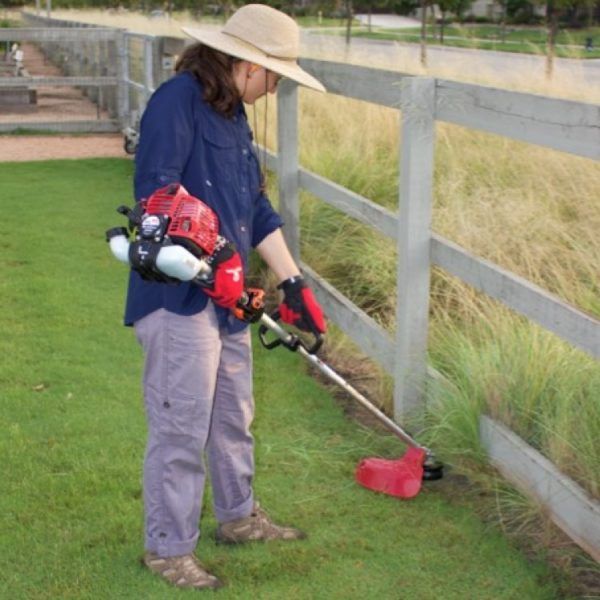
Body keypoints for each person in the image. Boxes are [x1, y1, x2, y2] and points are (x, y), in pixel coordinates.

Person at [126, 3, 327, 591]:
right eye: (274, 76)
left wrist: (292, 282)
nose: (275, 88)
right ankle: (168, 550)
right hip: (179, 298)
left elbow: (254, 208)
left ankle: (238, 517)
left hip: (229, 300)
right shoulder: (176, 102)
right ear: (247, 64)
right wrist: (217, 264)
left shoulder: (234, 115)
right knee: (181, 426)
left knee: (233, 414)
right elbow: (157, 196)